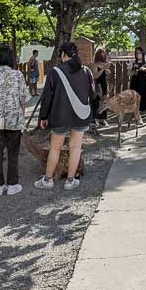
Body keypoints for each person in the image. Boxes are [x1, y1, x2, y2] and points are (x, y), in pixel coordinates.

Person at [35, 42, 96, 190]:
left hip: (59, 116)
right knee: (76, 148)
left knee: (55, 148)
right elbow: (93, 95)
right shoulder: (86, 71)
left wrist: (43, 117)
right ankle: (70, 181)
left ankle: (48, 180)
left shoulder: (55, 71)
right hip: (81, 115)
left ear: (63, 54)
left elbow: (47, 97)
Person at [0, 47, 30, 196]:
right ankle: (12, 184)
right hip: (14, 118)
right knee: (13, 152)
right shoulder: (18, 75)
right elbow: (24, 99)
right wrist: (22, 118)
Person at [129, 46, 146, 124]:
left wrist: (145, 69)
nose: (138, 54)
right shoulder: (132, 61)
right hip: (134, 84)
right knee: (135, 101)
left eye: (140, 53)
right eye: (137, 53)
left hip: (144, 83)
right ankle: (139, 119)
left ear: (143, 53)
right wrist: (134, 71)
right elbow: (129, 73)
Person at [91, 48, 110, 128]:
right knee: (96, 102)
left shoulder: (103, 65)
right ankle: (94, 119)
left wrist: (107, 71)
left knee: (103, 102)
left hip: (104, 85)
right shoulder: (94, 65)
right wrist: (102, 69)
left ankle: (102, 119)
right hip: (97, 86)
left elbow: (105, 76)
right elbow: (95, 76)